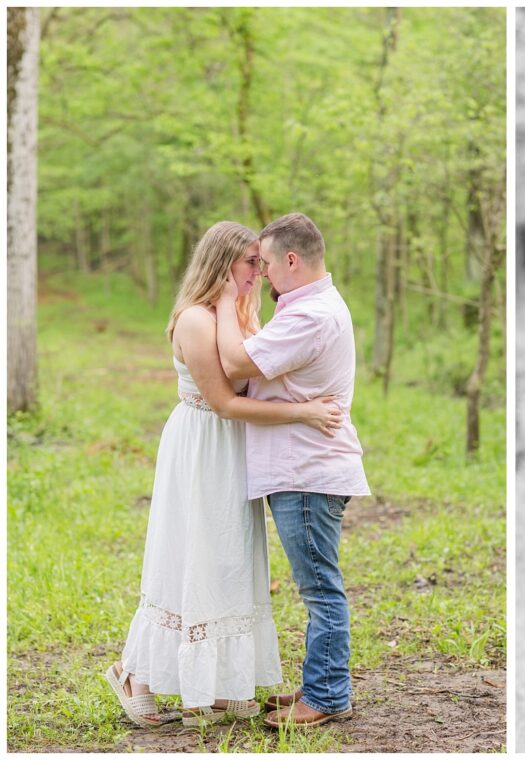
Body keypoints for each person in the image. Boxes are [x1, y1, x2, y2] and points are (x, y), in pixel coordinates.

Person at [106, 221, 343, 727]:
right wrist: (302, 413)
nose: (259, 272)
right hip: (204, 445)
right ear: (222, 264)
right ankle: (135, 673)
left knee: (227, 561)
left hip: (235, 451)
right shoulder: (195, 318)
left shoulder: (239, 312)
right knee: (187, 555)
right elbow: (223, 401)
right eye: (250, 262)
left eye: (262, 261)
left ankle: (213, 685)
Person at [214, 212, 370, 728]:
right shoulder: (310, 306)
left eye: (265, 263)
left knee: (319, 588)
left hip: (305, 471)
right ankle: (321, 684)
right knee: (318, 584)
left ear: (292, 259)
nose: (260, 274)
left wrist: (222, 300)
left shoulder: (310, 317)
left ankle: (326, 696)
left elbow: (236, 366)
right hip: (305, 466)